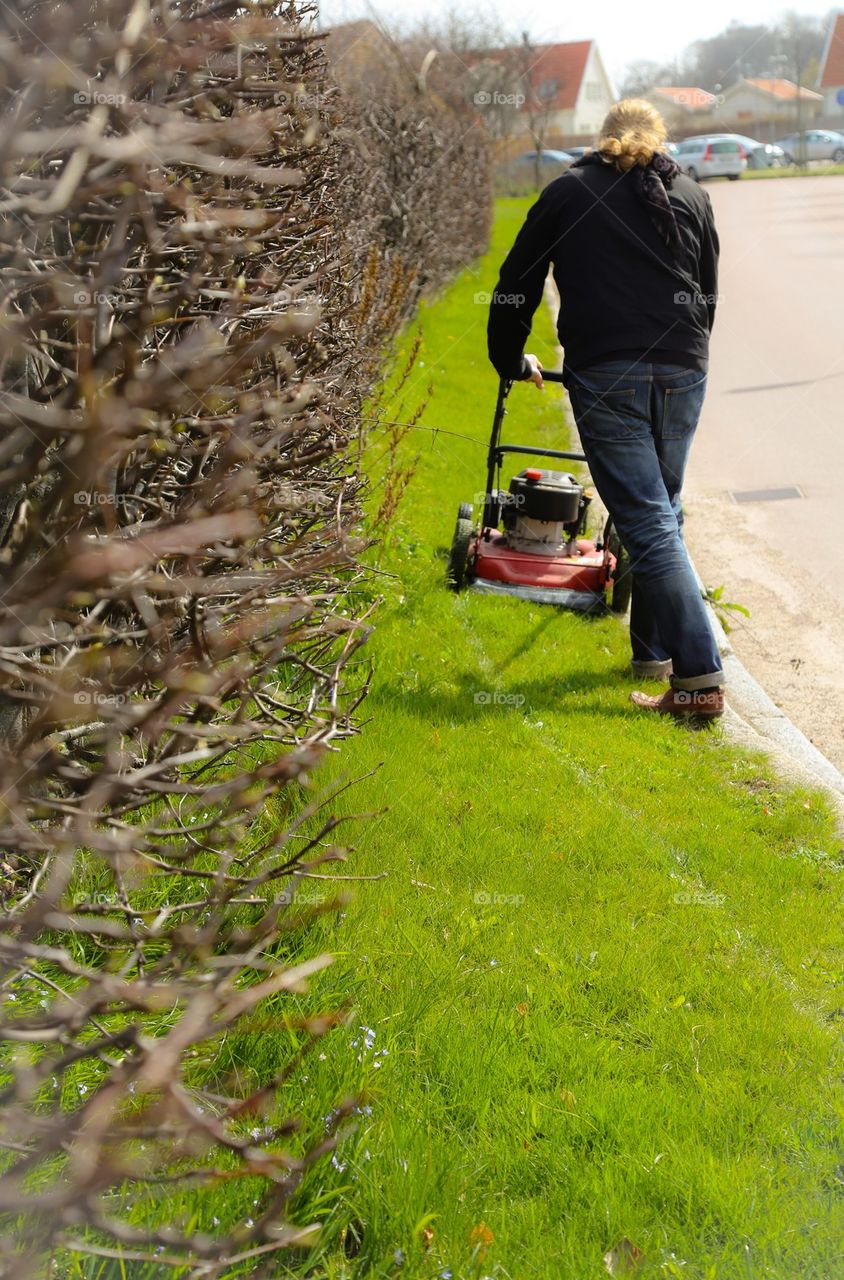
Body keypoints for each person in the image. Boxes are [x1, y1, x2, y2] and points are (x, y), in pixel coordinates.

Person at [487, 98, 724, 719]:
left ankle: (699, 680)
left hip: (608, 372)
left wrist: (508, 357)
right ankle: (652, 655)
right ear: (658, 137)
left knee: (647, 520)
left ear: (604, 138)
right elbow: (708, 292)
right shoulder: (693, 195)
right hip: (683, 368)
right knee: (661, 512)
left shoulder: (569, 191)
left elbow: (517, 282)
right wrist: (689, 358)